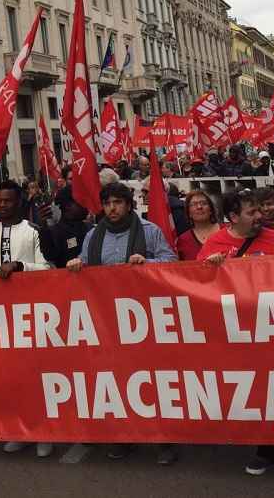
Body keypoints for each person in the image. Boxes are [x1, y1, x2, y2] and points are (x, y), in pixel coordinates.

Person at [196, 190, 274, 481]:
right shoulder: (215, 243)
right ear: (233, 217)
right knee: (262, 393)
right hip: (241, 335)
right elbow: (195, 284)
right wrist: (211, 270)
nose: (259, 217)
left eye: (260, 210)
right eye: (251, 212)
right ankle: (267, 450)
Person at [66, 181, 177, 464]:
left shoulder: (149, 232)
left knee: (151, 378)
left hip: (143, 317)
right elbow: (85, 261)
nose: (112, 208)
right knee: (117, 378)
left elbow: (172, 263)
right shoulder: (94, 235)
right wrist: (77, 264)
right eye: (107, 203)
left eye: (117, 202)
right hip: (106, 318)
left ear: (128, 205)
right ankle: (125, 436)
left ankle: (164, 440)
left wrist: (147, 263)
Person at [0, 181, 51, 457]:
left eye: (8, 201)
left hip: (29, 311)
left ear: (19, 202)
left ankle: (44, 432)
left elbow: (49, 268)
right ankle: (20, 431)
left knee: (34, 373)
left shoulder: (34, 231)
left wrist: (21, 266)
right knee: (10, 375)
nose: (3, 205)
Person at [38, 186, 91, 269]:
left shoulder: (90, 229)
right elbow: (50, 256)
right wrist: (44, 227)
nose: (85, 206)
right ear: (68, 206)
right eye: (81, 202)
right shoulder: (54, 232)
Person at [175, 190, 220, 261]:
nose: (199, 207)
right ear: (189, 213)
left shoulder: (228, 230)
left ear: (211, 210)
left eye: (204, 203)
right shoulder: (183, 240)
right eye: (194, 204)